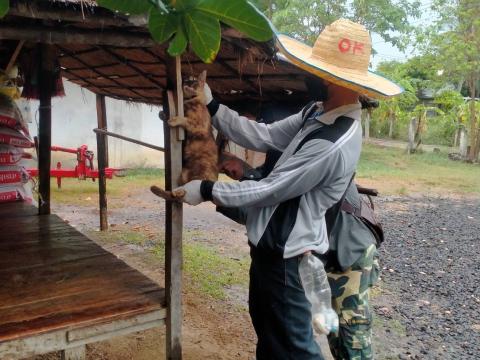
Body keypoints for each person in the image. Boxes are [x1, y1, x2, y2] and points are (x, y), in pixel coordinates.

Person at [164, 19, 402, 359]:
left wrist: (205, 189)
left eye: (316, 72)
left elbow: (271, 189)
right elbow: (264, 136)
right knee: (272, 340)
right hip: (268, 252)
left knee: (295, 349)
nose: (309, 76)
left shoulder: (334, 141)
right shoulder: (317, 113)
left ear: (336, 79)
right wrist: (213, 106)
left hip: (288, 261)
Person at [219, 96, 381, 360]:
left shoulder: (316, 148)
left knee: (350, 341)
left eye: (255, 121)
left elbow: (271, 202)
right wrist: (246, 172)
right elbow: (270, 184)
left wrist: (209, 191)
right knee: (297, 331)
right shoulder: (293, 147)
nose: (251, 133)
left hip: (347, 249)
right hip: (316, 250)